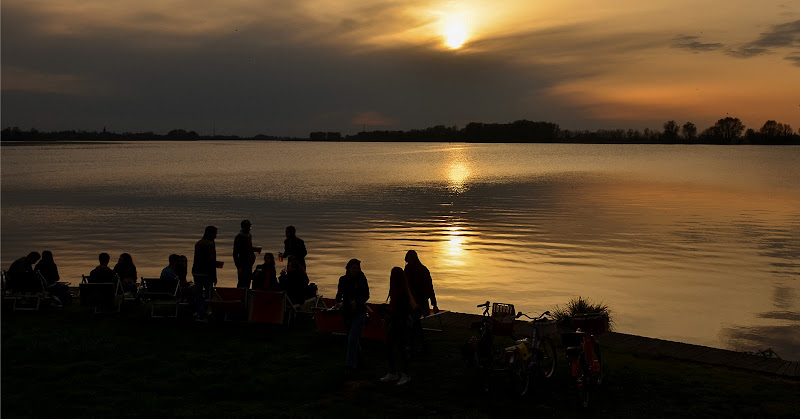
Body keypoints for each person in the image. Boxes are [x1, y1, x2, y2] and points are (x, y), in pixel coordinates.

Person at [379, 267, 416, 386]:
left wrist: (388, 314)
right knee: (389, 347)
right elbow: (395, 308)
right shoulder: (395, 290)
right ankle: (393, 372)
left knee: (401, 349)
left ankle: (405, 374)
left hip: (402, 324)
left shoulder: (403, 292)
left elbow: (402, 311)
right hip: (395, 322)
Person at [335, 258, 369, 378]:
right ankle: (361, 361)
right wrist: (338, 302)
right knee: (353, 339)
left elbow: (366, 295)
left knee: (352, 338)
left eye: (358, 268)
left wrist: (358, 302)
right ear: (349, 268)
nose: (356, 270)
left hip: (359, 313)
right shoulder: (343, 280)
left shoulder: (362, 279)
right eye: (354, 268)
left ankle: (349, 366)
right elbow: (339, 295)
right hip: (346, 313)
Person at [404, 250, 439, 351]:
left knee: (414, 322)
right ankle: (417, 344)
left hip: (420, 303)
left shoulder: (422, 270)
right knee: (413, 322)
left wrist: (434, 304)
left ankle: (416, 344)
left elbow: (429, 287)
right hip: (411, 302)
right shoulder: (409, 270)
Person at [192, 226, 223, 322]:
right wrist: (216, 267)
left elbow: (199, 259)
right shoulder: (210, 244)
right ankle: (201, 315)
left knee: (198, 293)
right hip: (206, 273)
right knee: (208, 295)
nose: (216, 235)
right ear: (210, 233)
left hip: (196, 272)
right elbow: (210, 261)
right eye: (215, 233)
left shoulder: (198, 243)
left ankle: (198, 312)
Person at [233, 220, 260, 289]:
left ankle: (245, 296)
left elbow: (247, 249)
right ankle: (240, 297)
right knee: (242, 282)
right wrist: (238, 267)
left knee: (248, 281)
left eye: (249, 227)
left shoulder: (248, 236)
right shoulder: (239, 238)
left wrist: (254, 249)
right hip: (243, 264)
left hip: (249, 264)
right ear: (243, 227)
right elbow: (235, 253)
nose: (249, 229)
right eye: (247, 227)